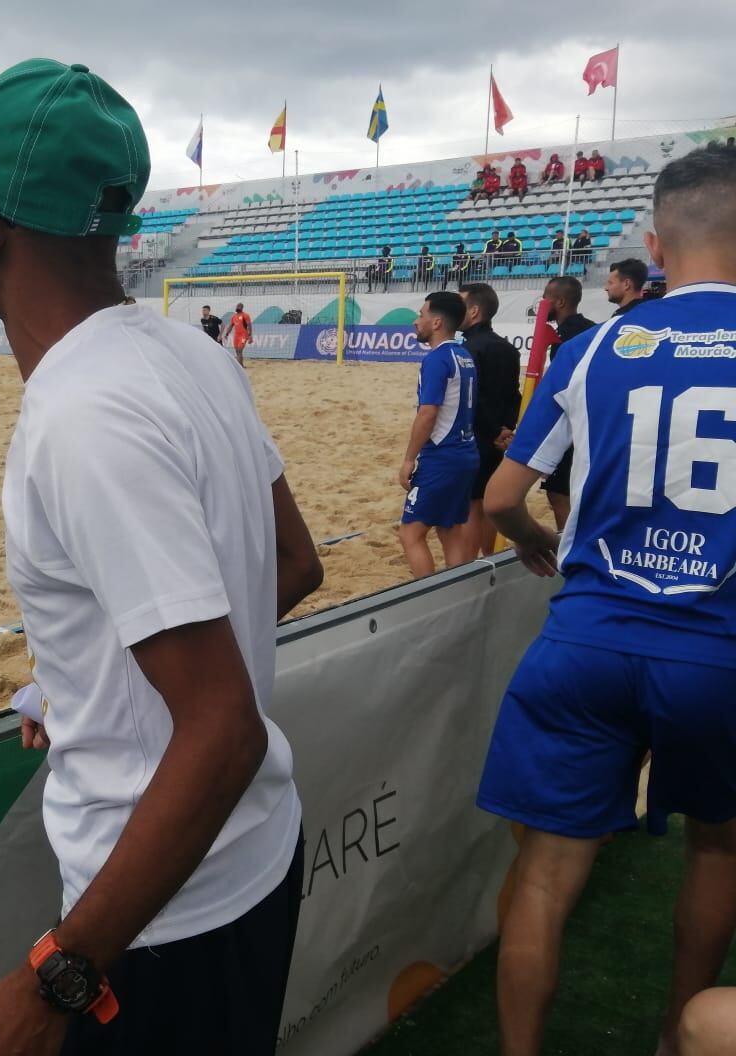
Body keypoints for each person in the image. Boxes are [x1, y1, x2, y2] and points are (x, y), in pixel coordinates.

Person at [0, 57, 322, 1056]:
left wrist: (56, 979)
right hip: (252, 857)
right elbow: (293, 564)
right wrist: (84, 691)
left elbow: (221, 731)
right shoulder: (192, 353)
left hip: (161, 919)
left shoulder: (82, 416)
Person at [478, 142, 736, 1056]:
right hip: (718, 651)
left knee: (546, 880)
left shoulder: (593, 350)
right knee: (715, 851)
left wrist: (546, 549)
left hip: (588, 639)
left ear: (657, 247)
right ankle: (679, 1036)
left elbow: (503, 500)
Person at [397, 291, 479, 578]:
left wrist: (409, 459)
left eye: (421, 314)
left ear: (437, 322)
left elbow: (428, 413)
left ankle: (429, 597)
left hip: (442, 457)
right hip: (466, 452)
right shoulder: (464, 354)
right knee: (450, 530)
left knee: (410, 533)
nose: (416, 321)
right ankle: (456, 595)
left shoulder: (437, 359)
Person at [458, 283, 520, 557]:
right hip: (500, 436)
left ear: (474, 311)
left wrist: (494, 430)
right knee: (487, 502)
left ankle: (469, 566)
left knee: (472, 505)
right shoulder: (507, 348)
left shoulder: (468, 350)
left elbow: (473, 398)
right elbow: (514, 394)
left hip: (477, 435)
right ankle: (488, 557)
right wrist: (506, 429)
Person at [535, 275, 596, 531]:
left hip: (573, 422)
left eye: (545, 298)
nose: (542, 303)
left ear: (559, 301)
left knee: (560, 495)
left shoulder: (565, 340)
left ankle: (569, 549)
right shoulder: (592, 327)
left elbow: (562, 387)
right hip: (593, 419)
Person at [227, 301, 252, 366]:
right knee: (237, 351)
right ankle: (241, 365)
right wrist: (227, 334)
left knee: (240, 350)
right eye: (237, 306)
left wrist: (250, 336)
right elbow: (230, 326)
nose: (238, 307)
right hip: (236, 336)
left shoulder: (245, 315)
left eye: (240, 306)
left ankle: (239, 366)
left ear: (242, 308)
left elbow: (249, 325)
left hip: (243, 335)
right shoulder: (234, 317)